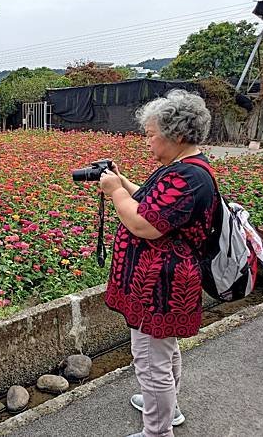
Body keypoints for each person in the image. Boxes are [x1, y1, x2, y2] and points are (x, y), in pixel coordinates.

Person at [99, 90, 217, 437]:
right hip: (159, 282)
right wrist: (122, 182)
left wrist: (113, 192)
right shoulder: (183, 168)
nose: (147, 142)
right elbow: (153, 204)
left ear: (177, 135)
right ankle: (169, 408)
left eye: (151, 135)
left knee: (152, 362)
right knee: (163, 353)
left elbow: (143, 223)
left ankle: (157, 431)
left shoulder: (187, 178)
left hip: (160, 286)